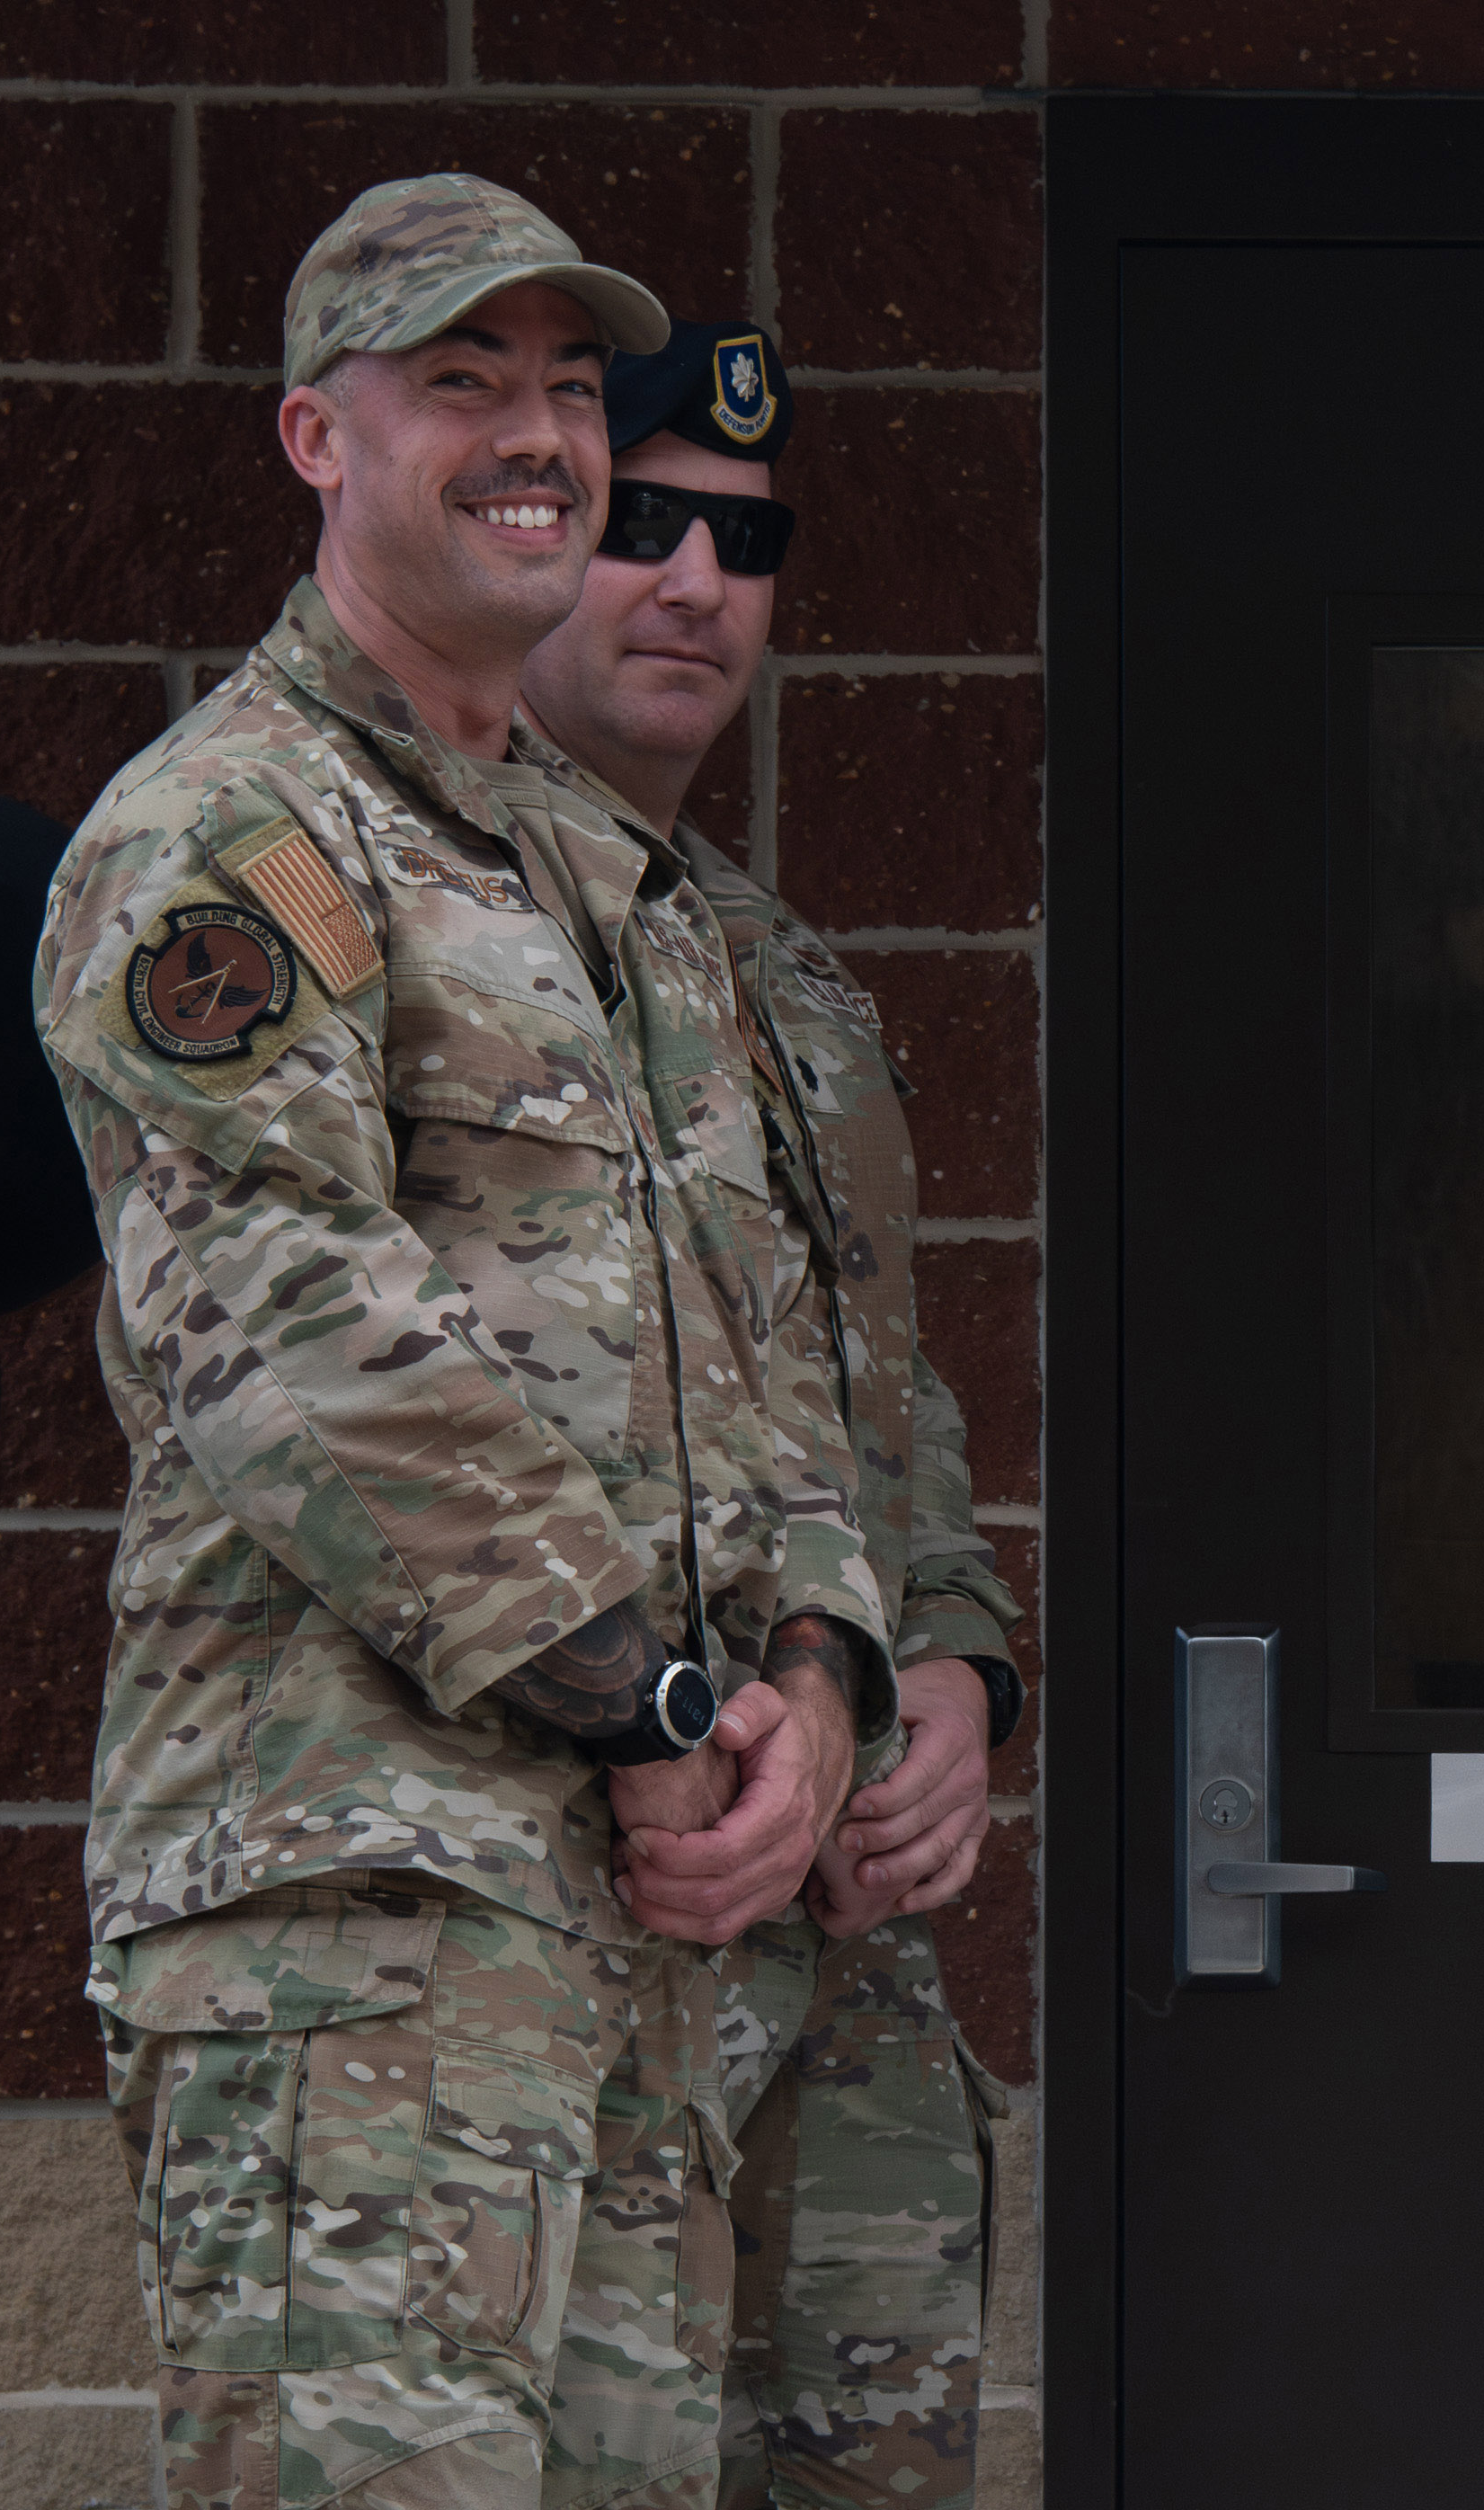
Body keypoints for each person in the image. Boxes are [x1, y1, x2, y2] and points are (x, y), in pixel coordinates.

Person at [35, 174, 889, 2508]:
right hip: (364, 1927)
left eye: (555, 388)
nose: (534, 436)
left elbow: (772, 1353)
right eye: (457, 383)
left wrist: (818, 1678)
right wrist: (649, 1695)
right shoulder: (233, 835)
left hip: (640, 1953)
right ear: (319, 437)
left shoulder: (615, 893)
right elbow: (285, 1323)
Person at [513, 316, 1027, 2510]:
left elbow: (868, 1386)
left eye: (743, 540)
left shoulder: (784, 975)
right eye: (637, 527)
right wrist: (686, 1709)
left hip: (840, 1953)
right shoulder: (438, 919)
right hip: (581, 1905)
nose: (694, 585)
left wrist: (959, 1662)